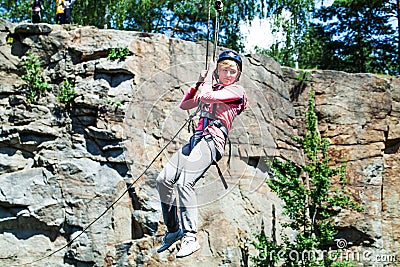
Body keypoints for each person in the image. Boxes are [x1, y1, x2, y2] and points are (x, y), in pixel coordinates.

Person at [156, 50, 247, 258]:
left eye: (232, 71)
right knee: (163, 180)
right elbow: (186, 105)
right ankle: (173, 231)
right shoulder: (211, 88)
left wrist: (205, 84)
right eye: (224, 70)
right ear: (218, 71)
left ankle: (190, 237)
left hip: (211, 140)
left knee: (184, 182)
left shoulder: (237, 92)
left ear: (238, 75)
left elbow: (208, 97)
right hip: (196, 140)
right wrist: (199, 83)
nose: (228, 74)